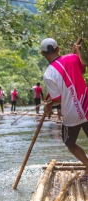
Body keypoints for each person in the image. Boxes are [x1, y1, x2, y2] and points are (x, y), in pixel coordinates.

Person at [40, 38, 88, 181]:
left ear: (42, 54)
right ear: (57, 49)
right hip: (86, 105)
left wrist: (48, 105)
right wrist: (78, 53)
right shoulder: (73, 58)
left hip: (71, 114)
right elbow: (83, 68)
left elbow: (58, 99)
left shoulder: (48, 74)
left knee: (69, 143)